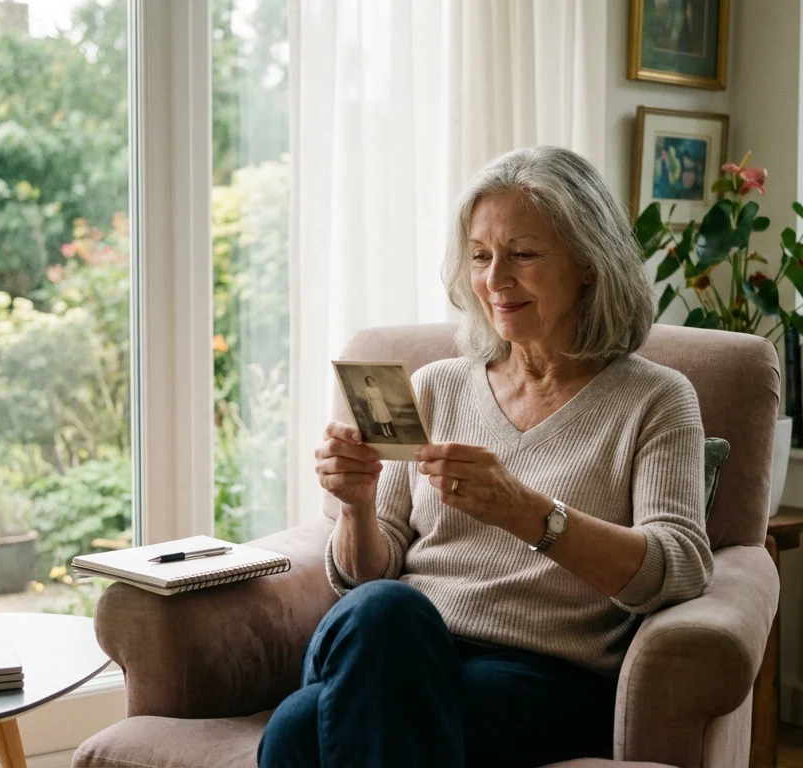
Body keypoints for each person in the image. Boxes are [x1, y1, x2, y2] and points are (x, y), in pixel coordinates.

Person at [259, 146, 713, 768]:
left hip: (540, 674)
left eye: (523, 254)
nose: (495, 279)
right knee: (384, 608)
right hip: (393, 641)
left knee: (299, 728)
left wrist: (528, 514)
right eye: (480, 256)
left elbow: (679, 568)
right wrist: (357, 509)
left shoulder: (656, 400)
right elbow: (367, 574)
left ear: (588, 262)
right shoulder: (439, 385)